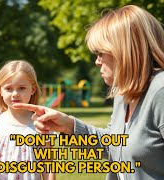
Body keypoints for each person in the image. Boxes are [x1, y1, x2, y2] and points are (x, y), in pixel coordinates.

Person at [13, 5, 164, 180]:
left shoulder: (160, 91)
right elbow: (112, 145)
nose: (97, 62)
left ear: (125, 51)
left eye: (101, 53)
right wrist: (68, 126)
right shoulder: (124, 92)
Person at [0, 60, 55, 180]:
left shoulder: (41, 124)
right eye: (9, 88)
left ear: (33, 90)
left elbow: (48, 165)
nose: (15, 94)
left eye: (22, 88)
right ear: (0, 91)